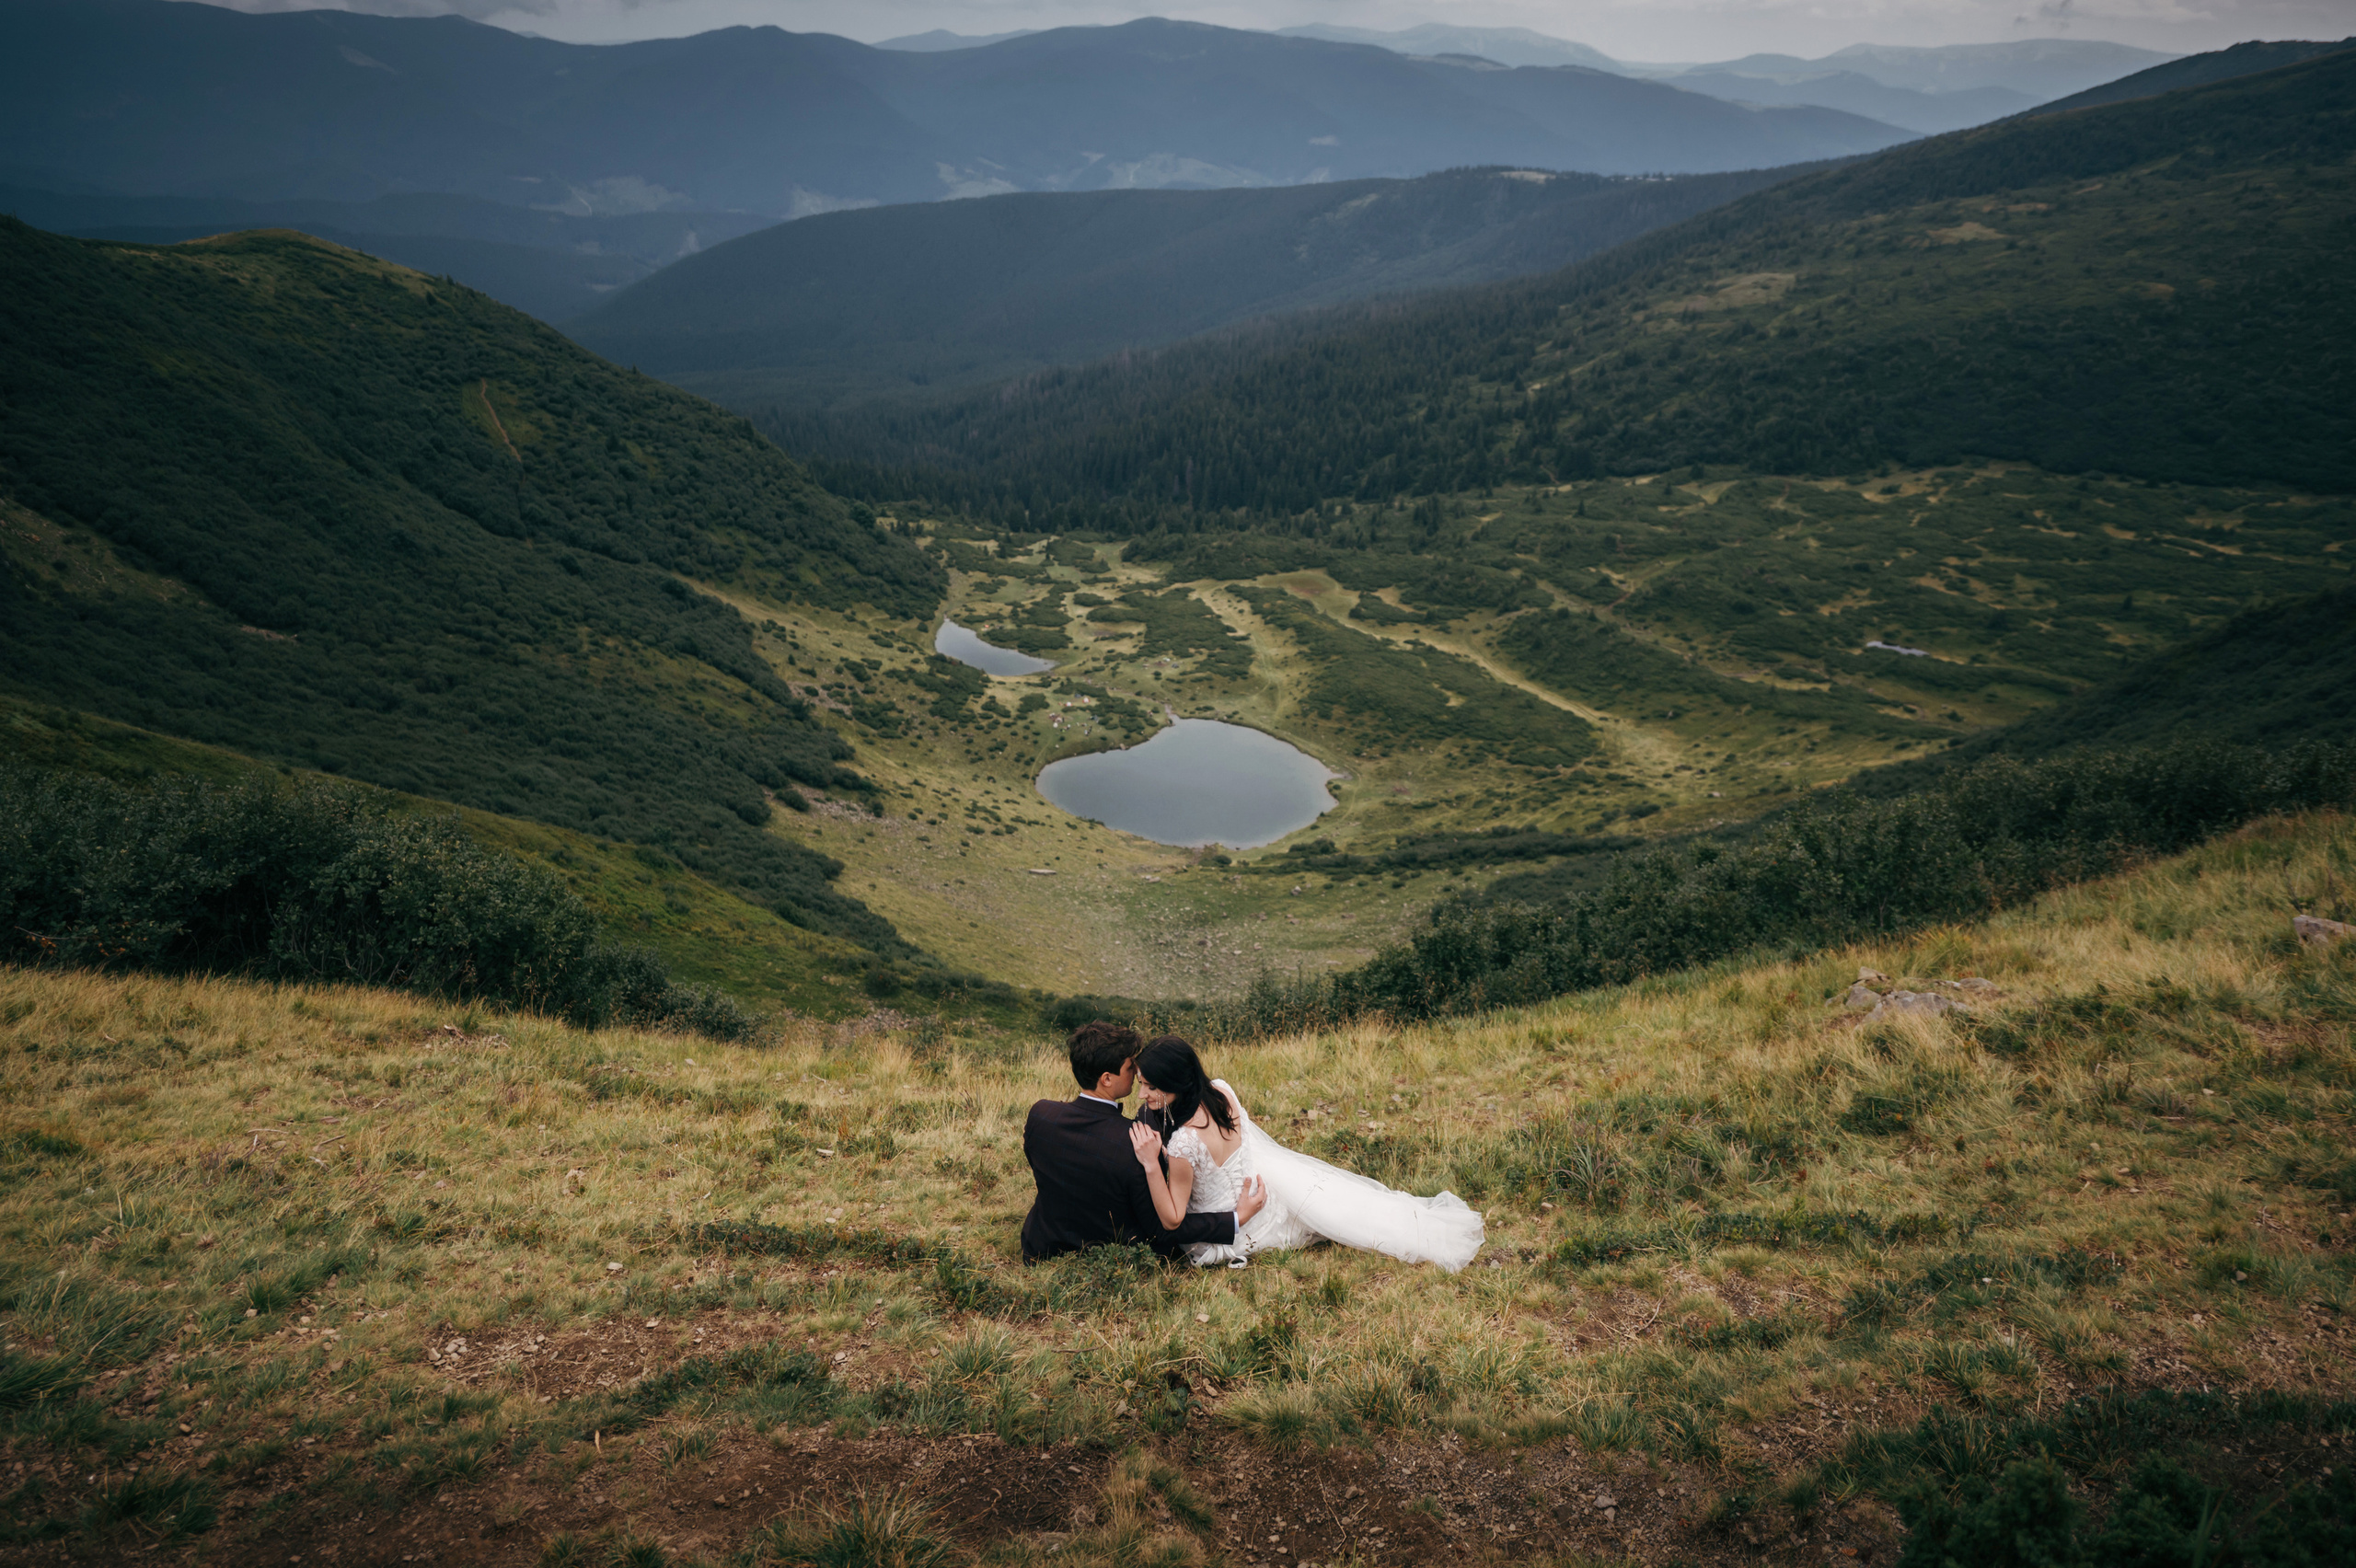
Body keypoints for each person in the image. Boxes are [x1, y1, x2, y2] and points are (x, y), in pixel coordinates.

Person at [1127, 1034, 1484, 1272]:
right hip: (1260, 1200)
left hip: (1222, 1235)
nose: (1142, 1094)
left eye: (1150, 1086)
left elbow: (1173, 1219)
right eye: (1141, 1083)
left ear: (1177, 1083)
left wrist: (1150, 1164)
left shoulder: (1184, 1144)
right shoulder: (1221, 1092)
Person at [1020, 1020, 1265, 1263]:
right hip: (1117, 1254)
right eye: (1130, 1067)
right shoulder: (1137, 1142)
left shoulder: (1040, 1115)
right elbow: (1163, 1227)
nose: (1137, 1071)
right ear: (1107, 1078)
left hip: (1043, 1244)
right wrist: (1236, 1219)